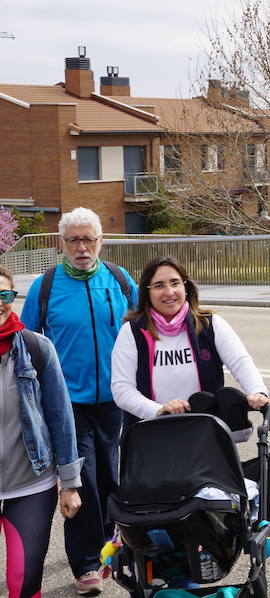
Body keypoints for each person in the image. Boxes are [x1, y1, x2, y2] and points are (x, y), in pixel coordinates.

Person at [21, 207, 138, 596]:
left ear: (100, 240)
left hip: (118, 399)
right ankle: (86, 562)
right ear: (62, 243)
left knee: (112, 476)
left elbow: (146, 329)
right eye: (74, 240)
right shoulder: (47, 285)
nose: (82, 247)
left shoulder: (119, 281)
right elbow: (28, 345)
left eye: (89, 238)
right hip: (68, 403)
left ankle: (108, 542)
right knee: (81, 479)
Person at [0, 266, 83, 598]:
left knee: (24, 581)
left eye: (4, 295)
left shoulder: (37, 347)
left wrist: (71, 484)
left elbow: (61, 417)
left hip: (30, 484)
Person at [110, 256, 269, 423]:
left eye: (175, 283)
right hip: (152, 433)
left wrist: (257, 390)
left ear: (185, 287)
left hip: (205, 431)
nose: (169, 292)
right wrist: (158, 410)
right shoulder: (132, 331)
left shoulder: (210, 324)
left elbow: (241, 362)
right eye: (159, 285)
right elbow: (122, 389)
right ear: (147, 292)